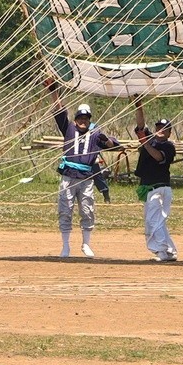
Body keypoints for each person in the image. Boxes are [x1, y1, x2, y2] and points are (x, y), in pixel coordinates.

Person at [46, 83, 110, 258]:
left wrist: (108, 141)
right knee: (65, 209)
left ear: (90, 119)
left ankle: (86, 244)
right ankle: (65, 246)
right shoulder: (68, 128)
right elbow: (59, 111)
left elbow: (113, 145)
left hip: (86, 178)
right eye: (80, 118)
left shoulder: (96, 133)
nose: (83, 121)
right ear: (75, 119)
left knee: (87, 210)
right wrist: (53, 91)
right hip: (68, 176)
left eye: (86, 118)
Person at [131, 103, 178, 263]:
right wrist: (139, 107)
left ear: (170, 132)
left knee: (153, 221)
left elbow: (159, 157)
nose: (160, 130)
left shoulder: (169, 146)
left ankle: (162, 251)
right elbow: (140, 126)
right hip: (150, 187)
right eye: (158, 127)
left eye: (164, 128)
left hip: (159, 188)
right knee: (157, 220)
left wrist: (145, 143)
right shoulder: (150, 139)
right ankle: (170, 250)